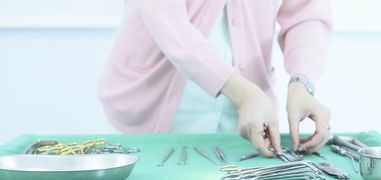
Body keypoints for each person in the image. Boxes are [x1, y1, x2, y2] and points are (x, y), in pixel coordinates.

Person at [98, 0, 333, 157]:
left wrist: (302, 82)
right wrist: (245, 94)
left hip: (243, 121)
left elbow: (307, 13)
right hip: (149, 111)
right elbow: (165, 17)